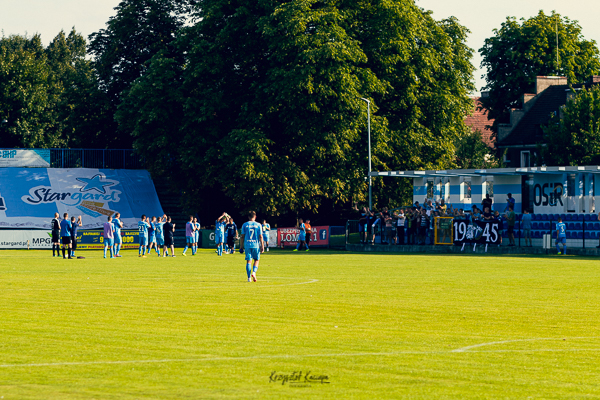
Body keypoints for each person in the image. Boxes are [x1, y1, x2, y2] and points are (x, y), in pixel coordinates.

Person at [240, 210, 264, 282]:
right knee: (256, 260)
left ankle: (248, 278)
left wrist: (241, 246)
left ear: (248, 217)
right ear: (255, 217)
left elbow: (242, 236)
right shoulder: (258, 225)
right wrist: (262, 246)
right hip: (255, 245)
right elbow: (261, 236)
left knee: (248, 261)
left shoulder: (245, 225)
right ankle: (254, 272)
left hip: (247, 245)